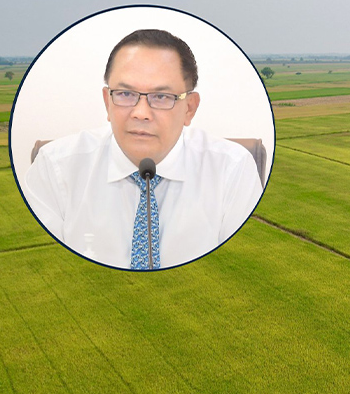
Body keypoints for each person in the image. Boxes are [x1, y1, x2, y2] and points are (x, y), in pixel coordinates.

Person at [24, 29, 264, 270]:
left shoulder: (232, 170)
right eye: (125, 94)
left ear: (189, 108)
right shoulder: (54, 167)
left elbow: (241, 271)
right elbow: (42, 271)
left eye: (161, 96)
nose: (140, 113)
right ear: (107, 102)